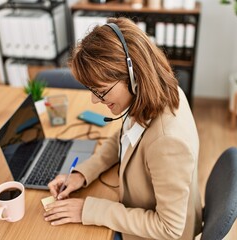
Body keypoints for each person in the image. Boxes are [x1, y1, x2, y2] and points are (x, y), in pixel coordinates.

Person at [44, 17, 202, 240]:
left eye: (101, 91)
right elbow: (125, 137)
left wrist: (88, 211)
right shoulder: (152, 94)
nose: (94, 100)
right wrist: (83, 173)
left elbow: (169, 228)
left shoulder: (167, 141)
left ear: (133, 76)